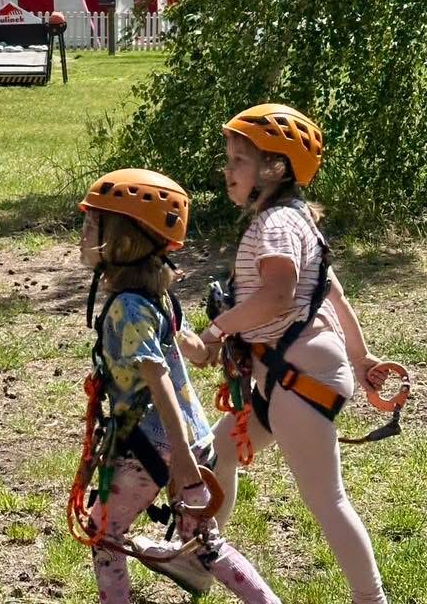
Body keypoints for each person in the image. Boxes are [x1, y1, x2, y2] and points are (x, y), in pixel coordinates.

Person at [157, 104, 389, 604]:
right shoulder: (295, 219)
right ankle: (198, 558)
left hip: (295, 374)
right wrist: (362, 357)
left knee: (327, 499)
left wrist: (216, 332)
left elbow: (278, 295)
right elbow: (332, 293)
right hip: (292, 371)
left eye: (238, 159)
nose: (227, 169)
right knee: (215, 456)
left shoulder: (276, 225)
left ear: (275, 168)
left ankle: (371, 599)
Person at [75, 168, 282, 604]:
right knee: (208, 545)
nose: (83, 232)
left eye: (93, 223)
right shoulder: (159, 298)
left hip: (157, 447)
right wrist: (222, 338)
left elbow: (160, 381)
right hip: (194, 437)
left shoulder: (126, 309)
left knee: (103, 532)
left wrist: (184, 465)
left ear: (123, 239)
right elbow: (197, 352)